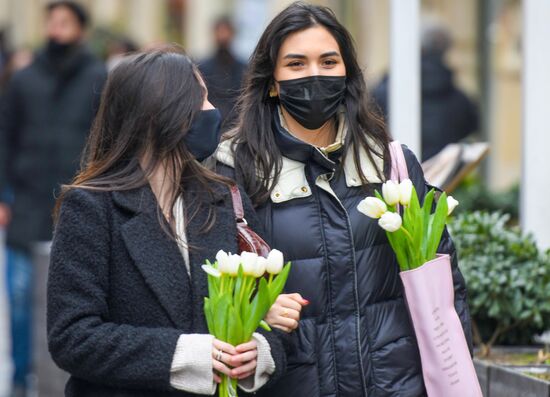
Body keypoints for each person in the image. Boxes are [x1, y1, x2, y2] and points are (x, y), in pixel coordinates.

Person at [215, 2, 473, 396]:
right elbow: (208, 284)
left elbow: (445, 287)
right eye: (296, 64)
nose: (314, 75)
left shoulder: (392, 164)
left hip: (396, 384)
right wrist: (257, 308)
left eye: (328, 61)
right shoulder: (234, 169)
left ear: (347, 72)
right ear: (272, 80)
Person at [47, 46, 293, 397]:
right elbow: (72, 336)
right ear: (163, 113)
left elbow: (270, 312)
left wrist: (262, 353)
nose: (213, 111)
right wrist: (186, 354)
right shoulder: (90, 207)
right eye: (202, 99)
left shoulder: (224, 198)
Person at [0, 2, 106, 395]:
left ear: (80, 28)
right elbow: (5, 136)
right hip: (26, 203)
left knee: (63, 303)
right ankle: (18, 377)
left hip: (76, 206)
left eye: (64, 21)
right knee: (20, 296)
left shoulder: (96, 76)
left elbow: (102, 142)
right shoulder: (24, 79)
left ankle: (57, 381)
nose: (55, 28)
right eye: (52, 20)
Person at [373, 19, 479, 161]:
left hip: (395, 175)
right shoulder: (460, 99)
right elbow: (472, 127)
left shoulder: (386, 90)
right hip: (442, 177)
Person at [198, 16, 247, 131]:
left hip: (236, 126)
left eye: (226, 31)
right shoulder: (203, 67)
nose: (223, 36)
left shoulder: (243, 68)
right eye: (219, 31)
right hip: (209, 126)